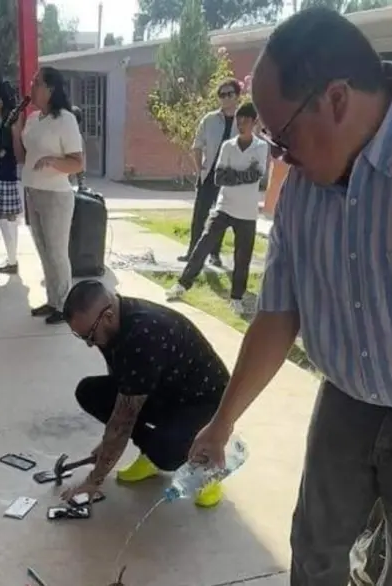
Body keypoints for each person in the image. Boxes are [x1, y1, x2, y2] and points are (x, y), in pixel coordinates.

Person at [189, 8, 392, 586]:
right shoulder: (302, 190)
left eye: (283, 137)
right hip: (346, 402)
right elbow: (278, 313)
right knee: (316, 548)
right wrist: (222, 423)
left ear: (335, 99)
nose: (277, 156)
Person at [59, 280, 229, 507]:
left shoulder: (144, 334)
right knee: (89, 392)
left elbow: (123, 419)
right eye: (83, 337)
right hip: (166, 389)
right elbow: (121, 380)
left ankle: (207, 466)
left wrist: (93, 481)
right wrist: (108, 444)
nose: (90, 344)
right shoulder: (111, 322)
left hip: (204, 401)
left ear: (108, 316)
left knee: (166, 454)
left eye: (90, 336)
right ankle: (149, 452)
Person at [167, 102, 268, 314]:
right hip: (224, 207)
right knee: (203, 245)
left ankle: (237, 298)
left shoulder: (261, 147)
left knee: (243, 257)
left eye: (246, 121)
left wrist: (235, 175)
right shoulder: (228, 146)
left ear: (254, 122)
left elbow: (256, 175)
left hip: (247, 212)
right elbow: (219, 177)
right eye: (239, 121)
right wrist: (240, 175)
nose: (241, 125)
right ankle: (182, 284)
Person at [17, 67, 83, 325]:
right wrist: (14, 130)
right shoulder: (33, 119)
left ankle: (65, 304)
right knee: (43, 251)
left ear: (51, 89)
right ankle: (53, 300)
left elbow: (77, 163)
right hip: (32, 190)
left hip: (56, 195)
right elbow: (23, 154)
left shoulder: (65, 119)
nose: (31, 88)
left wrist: (52, 161)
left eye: (36, 84)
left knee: (57, 253)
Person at [179, 79, 241, 267]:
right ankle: (192, 252)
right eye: (221, 95)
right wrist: (200, 169)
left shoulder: (244, 120)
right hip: (209, 176)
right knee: (200, 215)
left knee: (221, 217)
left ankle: (215, 254)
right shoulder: (210, 119)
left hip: (230, 178)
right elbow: (197, 146)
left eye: (229, 94)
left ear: (237, 96)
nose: (225, 98)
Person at [0, 80, 23, 275]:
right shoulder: (12, 119)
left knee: (5, 218)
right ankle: (12, 259)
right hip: (12, 174)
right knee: (10, 219)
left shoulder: (6, 122)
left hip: (4, 174)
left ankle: (12, 261)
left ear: (0, 101)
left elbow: (4, 150)